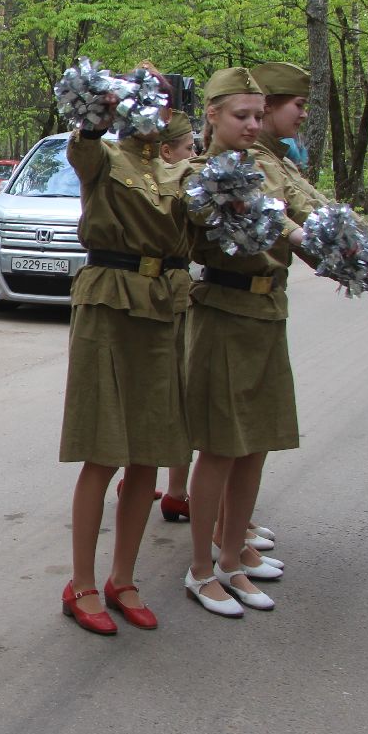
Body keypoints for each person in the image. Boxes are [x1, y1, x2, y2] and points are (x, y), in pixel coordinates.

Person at [179, 68, 317, 619]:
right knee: (219, 446)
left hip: (266, 309)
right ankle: (199, 570)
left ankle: (232, 555)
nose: (253, 126)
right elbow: (266, 221)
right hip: (223, 311)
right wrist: (298, 235)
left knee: (255, 441)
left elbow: (305, 212)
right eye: (242, 116)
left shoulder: (267, 166)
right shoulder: (200, 174)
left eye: (259, 116)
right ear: (212, 115)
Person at [59, 74, 192, 635]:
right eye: (141, 94)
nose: (151, 106)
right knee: (103, 450)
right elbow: (81, 148)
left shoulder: (180, 168)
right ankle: (82, 583)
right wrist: (97, 114)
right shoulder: (105, 156)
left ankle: (124, 577)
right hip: (108, 305)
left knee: (149, 454)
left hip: (162, 310)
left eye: (160, 97)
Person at [153, 110, 199, 525]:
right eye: (188, 149)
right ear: (167, 151)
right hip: (164, 296)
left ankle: (173, 486)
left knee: (174, 392)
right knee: (170, 393)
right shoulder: (167, 183)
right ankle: (174, 488)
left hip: (178, 291)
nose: (194, 155)